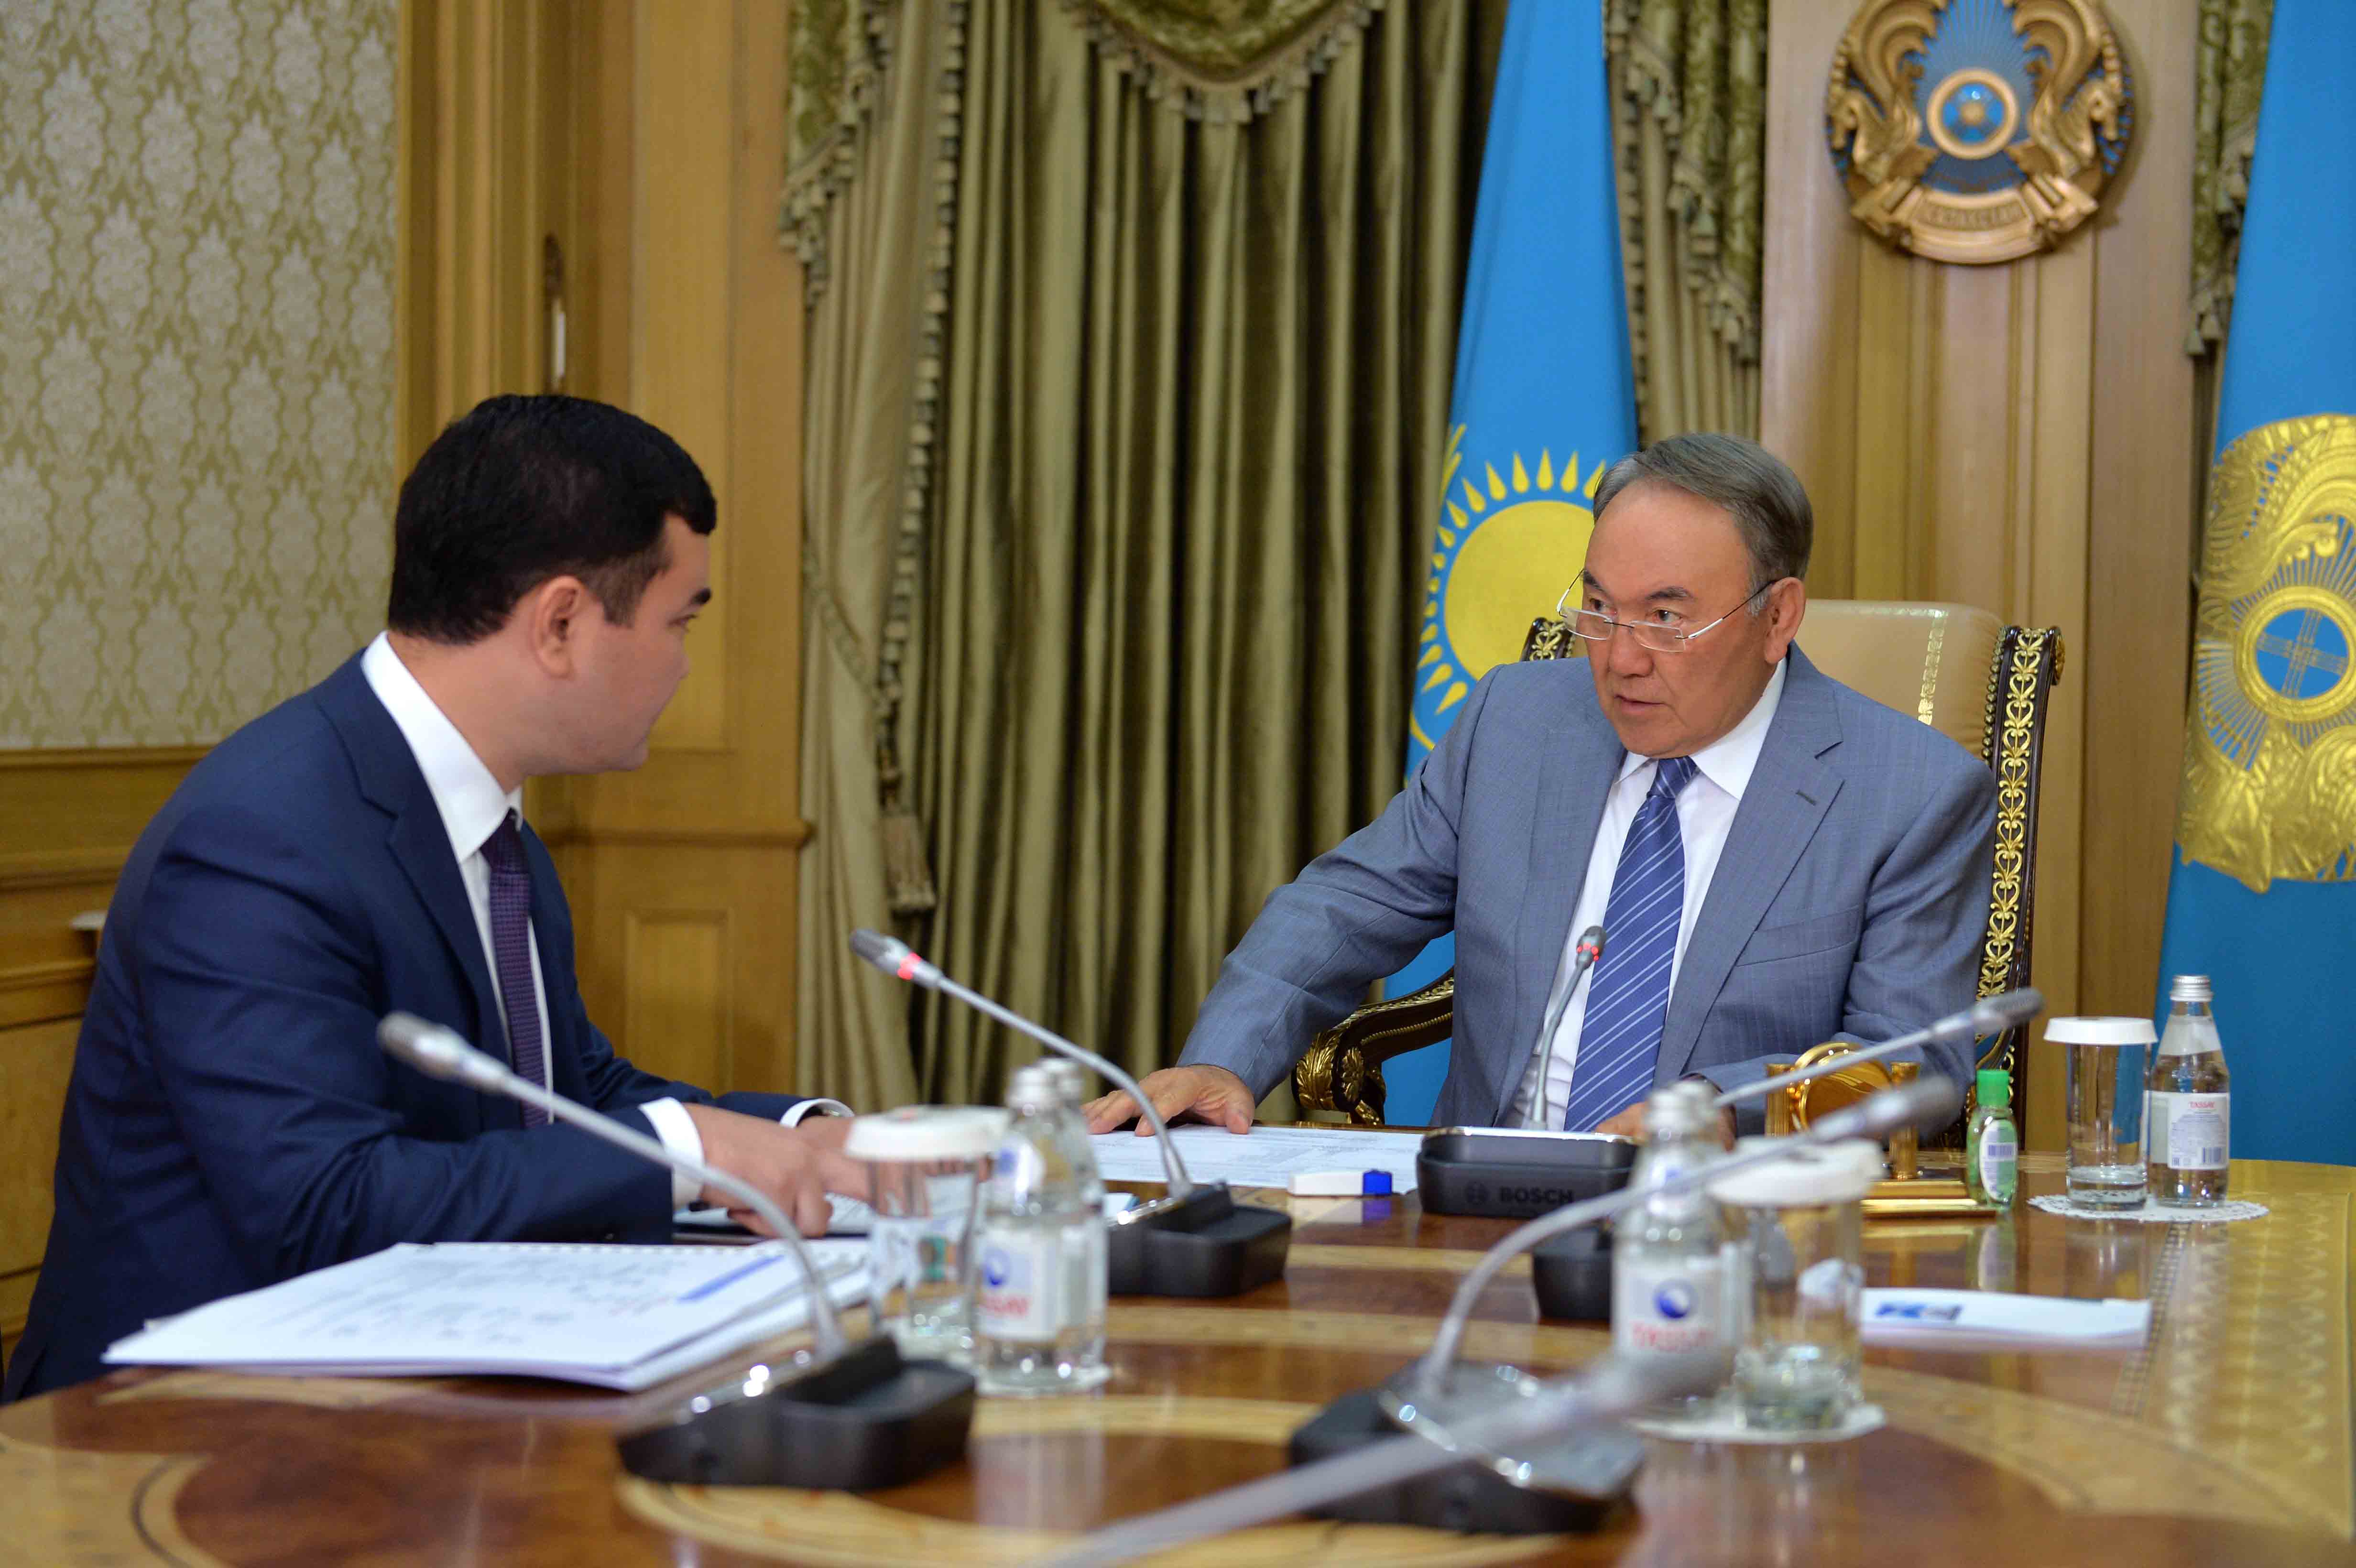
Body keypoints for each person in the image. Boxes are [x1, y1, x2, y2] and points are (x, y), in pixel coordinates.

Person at [5, 396, 865, 1401]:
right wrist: (683, 1148)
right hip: (172, 1427)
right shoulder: (260, 837)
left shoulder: (492, 828)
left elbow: (565, 1093)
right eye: (679, 623)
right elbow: (326, 1206)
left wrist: (803, 1136)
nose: (683, 665)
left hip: (403, 1379)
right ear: (560, 623)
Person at [1085, 433, 1996, 1143]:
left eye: (1665, 618)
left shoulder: (1910, 795)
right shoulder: (1516, 723)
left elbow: (1911, 1061)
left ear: (1778, 616)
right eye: (1599, 607)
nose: (1621, 658)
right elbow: (1343, 906)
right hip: (1474, 1214)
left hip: (1727, 1229)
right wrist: (1225, 1061)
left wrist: (1719, 1115)